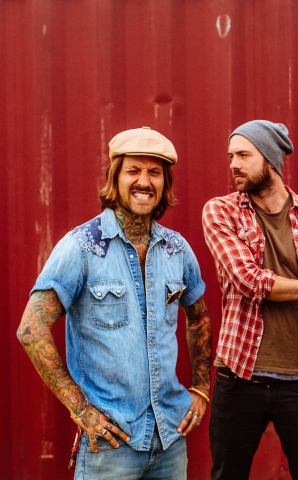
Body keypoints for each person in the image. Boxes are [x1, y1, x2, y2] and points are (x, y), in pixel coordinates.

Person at [16, 127, 212, 479]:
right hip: (109, 445)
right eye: (133, 170)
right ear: (115, 178)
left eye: (154, 173)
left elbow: (198, 317)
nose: (144, 181)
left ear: (165, 182)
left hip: (170, 439)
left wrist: (201, 388)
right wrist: (80, 409)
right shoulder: (81, 247)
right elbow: (31, 329)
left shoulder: (177, 250)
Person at [201, 120, 298, 480]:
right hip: (240, 377)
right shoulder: (220, 211)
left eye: (244, 155)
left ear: (271, 159)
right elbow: (248, 280)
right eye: (231, 156)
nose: (234, 164)